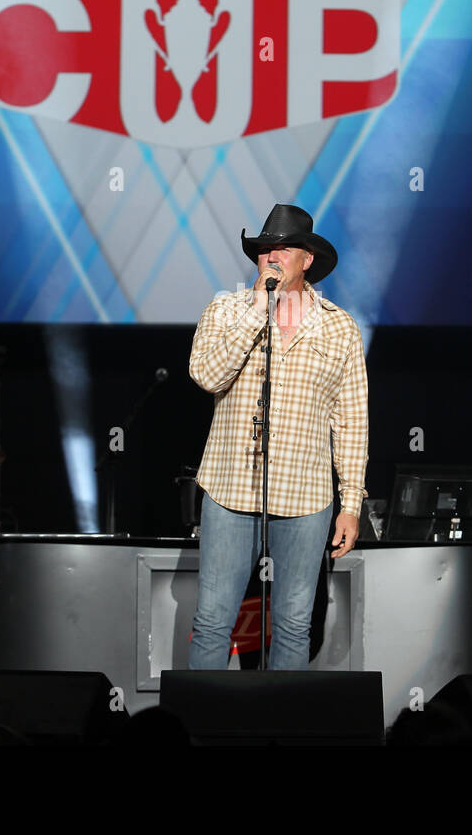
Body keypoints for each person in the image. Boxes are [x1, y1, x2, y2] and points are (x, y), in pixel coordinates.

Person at [187, 204, 368, 670]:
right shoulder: (225, 309)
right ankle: (199, 733)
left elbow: (350, 420)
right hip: (231, 488)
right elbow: (206, 376)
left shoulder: (339, 327)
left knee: (292, 625)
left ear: (306, 260)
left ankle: (280, 734)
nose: (271, 256)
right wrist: (257, 312)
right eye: (265, 248)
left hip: (306, 496)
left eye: (283, 248)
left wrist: (351, 504)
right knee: (211, 620)